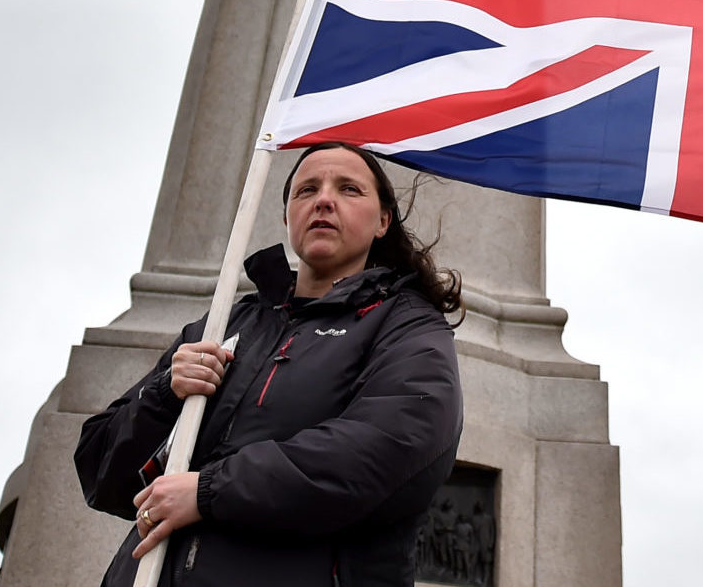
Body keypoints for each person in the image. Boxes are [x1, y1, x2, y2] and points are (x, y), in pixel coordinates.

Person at [74, 144, 465, 586]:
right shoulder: (226, 321)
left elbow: (388, 446)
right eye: (306, 190)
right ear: (286, 217)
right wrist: (165, 394)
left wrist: (209, 491)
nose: (323, 200)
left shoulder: (405, 323)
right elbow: (101, 471)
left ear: (382, 221)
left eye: (349, 189)